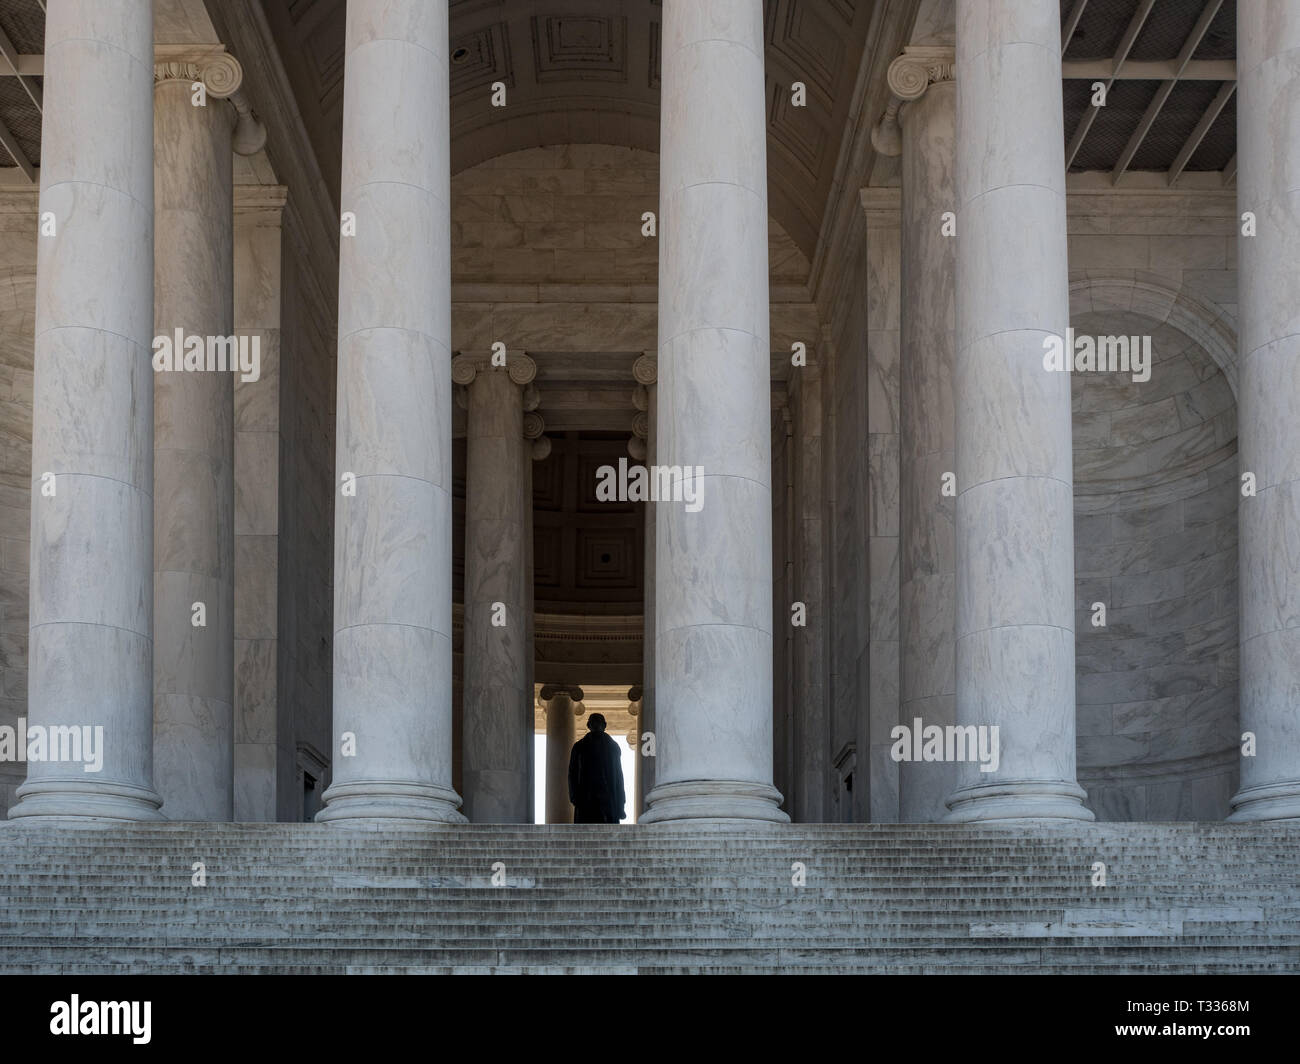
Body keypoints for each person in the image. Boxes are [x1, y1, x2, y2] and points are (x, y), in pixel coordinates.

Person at [567, 712, 625, 823]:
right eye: (593, 722)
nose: (596, 725)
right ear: (589, 726)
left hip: (607, 796)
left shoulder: (613, 747)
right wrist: (574, 796)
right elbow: (572, 773)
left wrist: (621, 804)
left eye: (599, 722)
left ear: (604, 725)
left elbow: (618, 776)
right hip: (586, 797)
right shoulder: (579, 747)